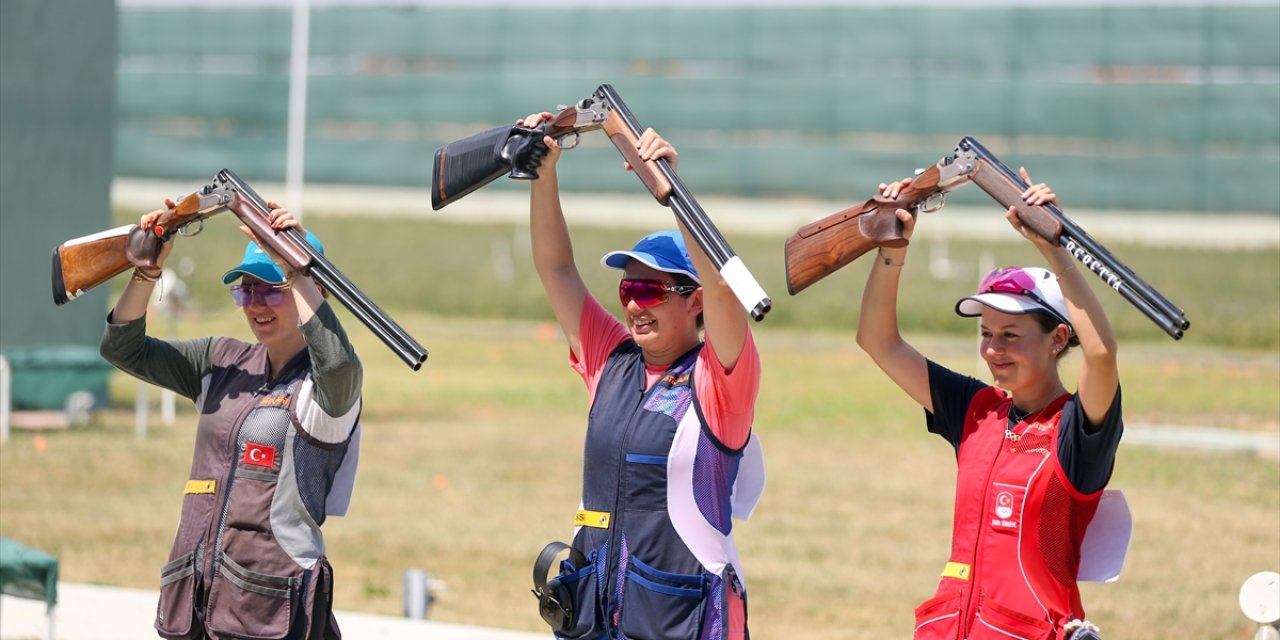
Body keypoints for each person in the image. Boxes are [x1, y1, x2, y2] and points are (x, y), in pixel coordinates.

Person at [518, 111, 765, 640]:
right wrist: (543, 172)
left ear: (694, 300)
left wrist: (673, 190)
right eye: (628, 290)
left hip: (684, 623)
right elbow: (557, 270)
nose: (634, 305)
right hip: (594, 620)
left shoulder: (717, 380)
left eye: (651, 290)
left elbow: (724, 291)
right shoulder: (611, 358)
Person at [856, 170, 1121, 639]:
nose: (993, 350)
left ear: (1059, 338)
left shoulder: (1076, 429)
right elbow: (878, 341)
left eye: (1011, 335)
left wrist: (1054, 248)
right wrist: (892, 248)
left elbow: (1100, 354)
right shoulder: (976, 409)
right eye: (986, 333)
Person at [100, 202, 362, 640]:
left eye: (271, 290)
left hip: (271, 615)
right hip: (195, 608)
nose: (256, 305)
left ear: (312, 289)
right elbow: (123, 348)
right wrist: (146, 272)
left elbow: (336, 363)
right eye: (246, 292)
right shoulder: (221, 359)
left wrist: (295, 270)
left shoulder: (328, 388)